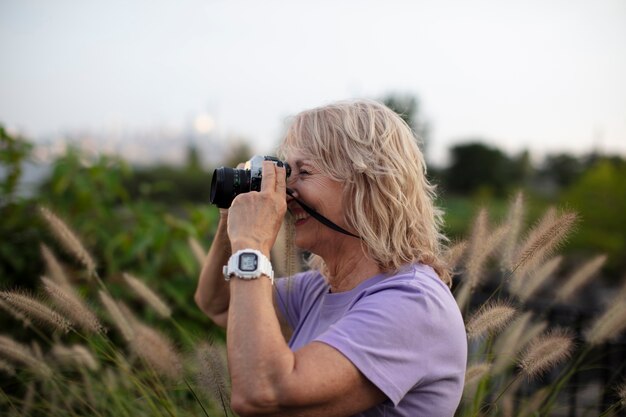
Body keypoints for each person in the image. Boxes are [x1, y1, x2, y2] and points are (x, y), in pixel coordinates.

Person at [195, 100, 467, 417]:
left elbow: (263, 394)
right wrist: (231, 222)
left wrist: (252, 242)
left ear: (365, 187)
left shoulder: (412, 303)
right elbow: (220, 303)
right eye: (286, 172)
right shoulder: (320, 290)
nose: (285, 191)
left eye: (304, 172)